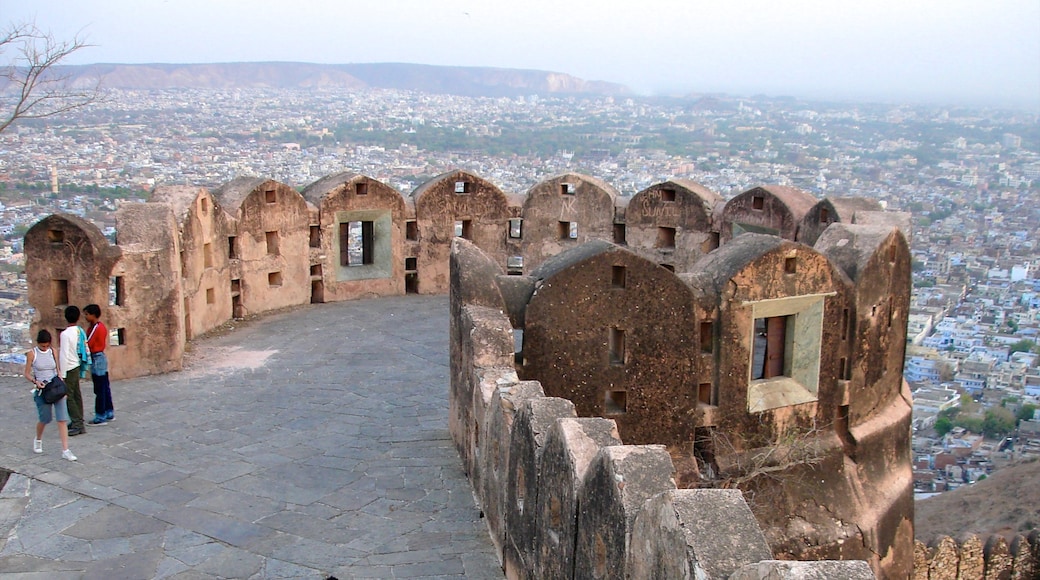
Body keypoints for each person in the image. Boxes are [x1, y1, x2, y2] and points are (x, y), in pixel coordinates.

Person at [24, 330, 77, 461]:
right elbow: (27, 373)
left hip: (56, 388)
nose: (45, 348)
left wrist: (62, 387)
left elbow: (57, 370)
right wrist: (35, 382)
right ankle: (38, 439)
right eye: (43, 346)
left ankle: (65, 449)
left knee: (62, 419)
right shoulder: (32, 354)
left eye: (47, 345)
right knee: (45, 419)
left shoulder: (53, 351)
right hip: (43, 390)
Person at [59, 305, 88, 436]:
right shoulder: (79, 331)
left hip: (69, 367)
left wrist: (62, 373)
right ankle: (79, 419)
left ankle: (77, 423)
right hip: (76, 365)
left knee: (69, 396)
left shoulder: (65, 334)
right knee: (76, 394)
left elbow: (63, 354)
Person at [84, 304, 115, 425]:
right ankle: (108, 411)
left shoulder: (96, 328)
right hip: (99, 357)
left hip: (97, 358)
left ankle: (100, 415)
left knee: (99, 388)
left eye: (87, 314)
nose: (86, 317)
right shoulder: (97, 326)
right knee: (104, 387)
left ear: (93, 315)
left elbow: (89, 342)